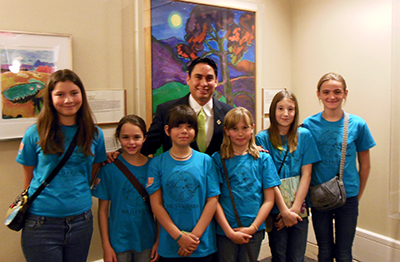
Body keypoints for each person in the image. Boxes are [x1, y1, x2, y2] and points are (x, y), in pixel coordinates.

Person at [16, 69, 107, 262]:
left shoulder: (95, 134)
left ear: (82, 94)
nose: (68, 100)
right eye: (60, 94)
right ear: (50, 98)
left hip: (81, 221)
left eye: (74, 93)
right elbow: (29, 180)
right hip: (41, 223)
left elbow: (92, 173)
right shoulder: (35, 133)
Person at [302, 72, 376, 262]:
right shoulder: (309, 124)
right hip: (319, 195)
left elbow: (365, 165)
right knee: (324, 250)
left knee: (344, 252)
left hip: (348, 195)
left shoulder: (358, 124)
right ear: (318, 94)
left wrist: (356, 195)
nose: (331, 96)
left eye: (337, 91)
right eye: (326, 92)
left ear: (345, 93)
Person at [146, 105, 220, 261]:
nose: (184, 131)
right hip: (170, 244)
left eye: (189, 126)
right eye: (178, 126)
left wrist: (193, 238)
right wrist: (179, 237)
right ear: (167, 130)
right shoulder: (157, 164)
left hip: (202, 244)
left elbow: (212, 201)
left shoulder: (206, 161)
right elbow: (156, 205)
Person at [255, 91, 321, 262]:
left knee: (297, 255)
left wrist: (294, 210)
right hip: (275, 209)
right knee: (279, 254)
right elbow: (267, 179)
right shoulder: (262, 138)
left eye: (290, 109)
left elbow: (307, 175)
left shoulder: (305, 136)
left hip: (300, 208)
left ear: (296, 112)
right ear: (272, 111)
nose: (285, 113)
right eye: (280, 108)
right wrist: (284, 211)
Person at [212, 107, 280, 262]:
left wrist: (254, 227)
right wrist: (229, 231)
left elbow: (269, 199)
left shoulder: (263, 159)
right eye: (234, 129)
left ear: (252, 128)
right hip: (225, 230)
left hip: (254, 229)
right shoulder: (218, 160)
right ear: (227, 131)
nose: (240, 133)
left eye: (245, 128)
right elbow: (213, 200)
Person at [92, 115, 159, 262]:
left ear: (144, 138)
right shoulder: (109, 168)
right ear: (118, 138)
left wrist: (158, 241)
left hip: (147, 240)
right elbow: (103, 210)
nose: (131, 142)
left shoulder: (154, 167)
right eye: (125, 137)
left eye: (136, 137)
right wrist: (106, 245)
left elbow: (160, 208)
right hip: (118, 242)